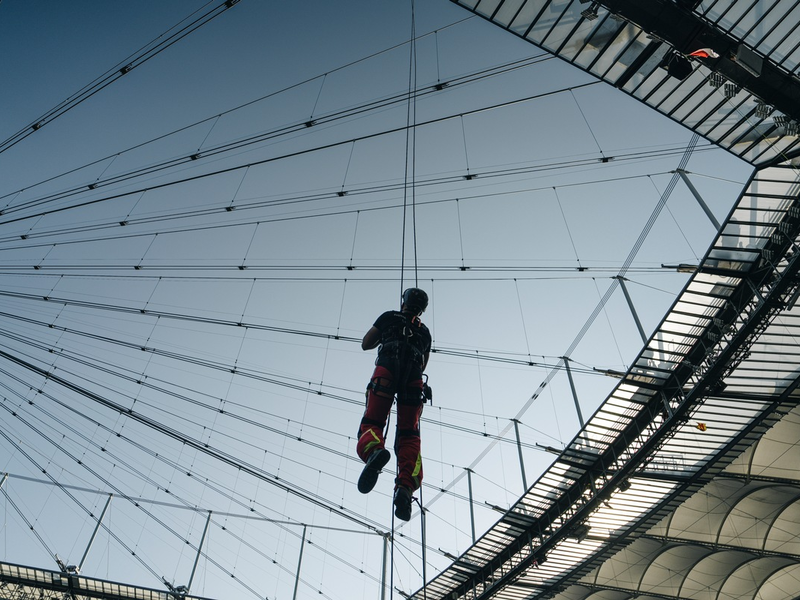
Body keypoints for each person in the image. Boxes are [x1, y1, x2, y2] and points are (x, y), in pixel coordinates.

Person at [356, 287, 431, 521]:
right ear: (422, 310)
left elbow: (366, 343)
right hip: (414, 381)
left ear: (404, 302)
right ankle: (405, 487)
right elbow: (424, 364)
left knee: (373, 420)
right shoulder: (425, 332)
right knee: (409, 435)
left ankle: (374, 451)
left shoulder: (389, 316)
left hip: (386, 370)